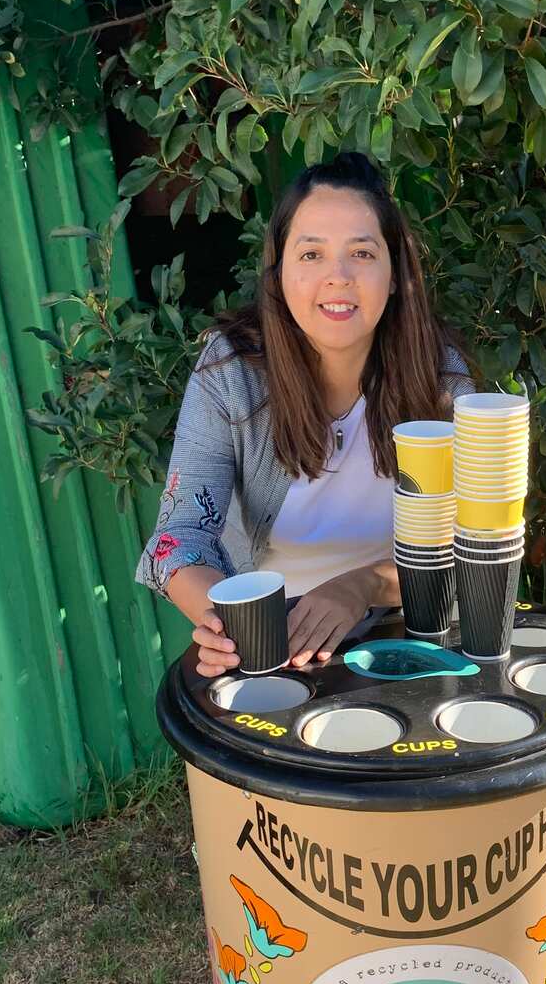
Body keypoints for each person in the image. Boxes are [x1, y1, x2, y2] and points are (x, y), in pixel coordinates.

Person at [135, 152, 472, 675]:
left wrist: (362, 586)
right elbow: (178, 538)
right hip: (268, 645)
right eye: (311, 255)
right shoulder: (231, 373)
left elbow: (469, 549)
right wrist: (229, 626)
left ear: (394, 272)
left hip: (406, 629)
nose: (337, 277)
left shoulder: (439, 377)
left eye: (361, 253)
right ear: (280, 273)